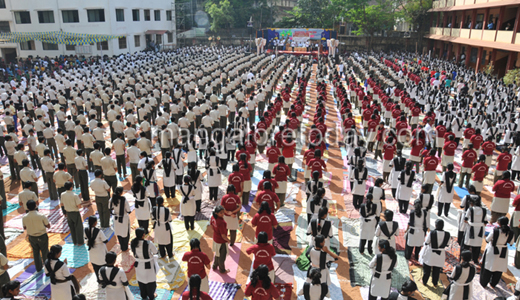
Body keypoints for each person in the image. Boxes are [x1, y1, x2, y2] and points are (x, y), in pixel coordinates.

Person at [480, 216, 514, 289]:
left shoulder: (495, 230)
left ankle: (484, 283)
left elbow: (487, 240)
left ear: (500, 223)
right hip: (503, 251)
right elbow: (511, 243)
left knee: (488, 267)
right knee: (499, 268)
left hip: (492, 249)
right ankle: (493, 284)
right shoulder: (510, 232)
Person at [420, 219, 451, 287]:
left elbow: (427, 242)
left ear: (436, 225)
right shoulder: (447, 234)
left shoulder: (432, 232)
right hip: (440, 254)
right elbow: (448, 244)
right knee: (436, 270)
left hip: (430, 253)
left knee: (427, 269)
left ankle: (424, 281)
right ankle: (435, 283)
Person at [131, 227, 158, 300]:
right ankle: (151, 295)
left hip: (138, 264)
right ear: (143, 235)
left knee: (141, 280)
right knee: (150, 281)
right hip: (148, 264)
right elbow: (155, 251)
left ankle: (143, 295)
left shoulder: (133, 242)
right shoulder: (148, 243)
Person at [462, 194, 487, 264]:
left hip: (471, 228)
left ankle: (465, 257)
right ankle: (475, 259)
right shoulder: (484, 210)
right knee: (477, 244)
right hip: (480, 229)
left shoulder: (470, 209)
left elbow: (465, 219)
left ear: (472, 203)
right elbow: (485, 222)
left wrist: (470, 223)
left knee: (467, 243)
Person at [60, 182, 84, 246]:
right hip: (75, 213)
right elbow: (79, 206)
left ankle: (75, 241)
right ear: (71, 187)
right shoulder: (74, 195)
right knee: (78, 227)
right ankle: (80, 242)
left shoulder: (62, 194)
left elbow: (62, 204)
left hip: (68, 213)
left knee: (72, 228)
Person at [109, 187, 131, 252]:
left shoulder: (111, 199)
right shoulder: (123, 200)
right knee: (126, 232)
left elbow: (109, 208)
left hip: (116, 218)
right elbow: (128, 210)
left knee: (119, 232)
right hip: (124, 218)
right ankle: (125, 246)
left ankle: (122, 246)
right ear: (121, 193)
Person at [210, 205, 230, 274]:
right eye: (221, 213)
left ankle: (214, 266)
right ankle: (222, 270)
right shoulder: (221, 222)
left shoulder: (212, 217)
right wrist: (228, 240)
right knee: (222, 257)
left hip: (215, 239)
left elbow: (211, 226)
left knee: (217, 253)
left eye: (223, 212)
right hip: (221, 241)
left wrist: (216, 232)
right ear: (216, 213)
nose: (223, 214)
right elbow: (223, 235)